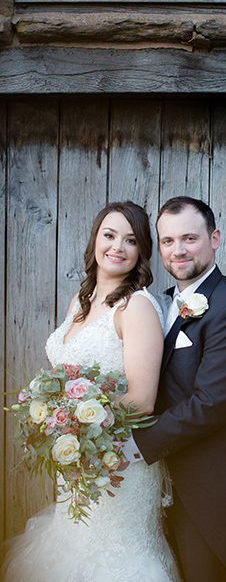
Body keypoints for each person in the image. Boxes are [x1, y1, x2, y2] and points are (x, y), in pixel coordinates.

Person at [1, 201, 181, 582]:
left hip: (120, 465)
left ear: (141, 252)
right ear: (95, 240)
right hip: (80, 465)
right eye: (110, 235)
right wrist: (57, 418)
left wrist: (78, 427)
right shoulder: (79, 303)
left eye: (131, 240)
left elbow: (143, 399)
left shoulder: (136, 308)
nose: (118, 246)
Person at [133, 196, 226, 582]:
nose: (177, 250)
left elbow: (210, 404)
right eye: (167, 241)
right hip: (164, 486)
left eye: (189, 238)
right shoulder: (161, 305)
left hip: (216, 495)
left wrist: (131, 445)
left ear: (214, 239)